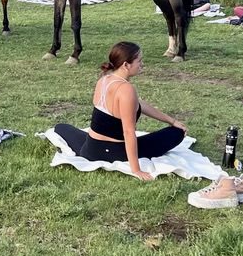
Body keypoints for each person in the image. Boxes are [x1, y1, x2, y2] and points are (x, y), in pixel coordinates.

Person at [51, 41, 187, 180]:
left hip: (90, 148)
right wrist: (136, 170)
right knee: (177, 133)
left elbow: (139, 104)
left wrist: (172, 120)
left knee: (61, 127)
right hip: (113, 152)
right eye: (139, 61)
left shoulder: (104, 79)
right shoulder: (126, 90)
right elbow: (128, 132)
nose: (142, 64)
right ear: (126, 65)